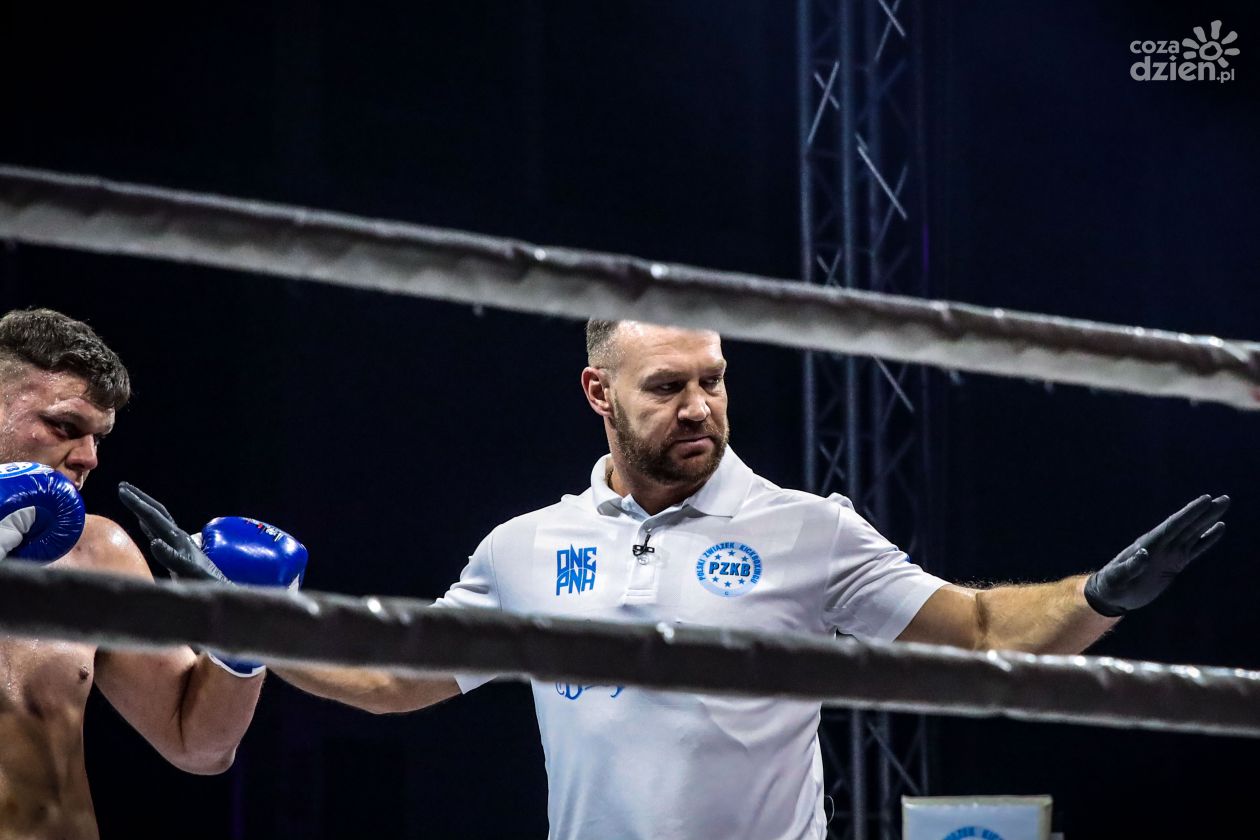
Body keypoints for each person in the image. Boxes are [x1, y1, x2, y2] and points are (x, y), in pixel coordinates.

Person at [125, 319, 1229, 840]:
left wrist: (1101, 594)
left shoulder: (807, 529)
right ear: (598, 393)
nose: (700, 406)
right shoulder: (524, 545)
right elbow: (396, 680)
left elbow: (977, 627)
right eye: (668, 387)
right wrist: (251, 628)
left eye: (714, 380)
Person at [0, 307, 305, 840]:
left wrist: (241, 636)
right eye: (65, 427)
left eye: (99, 438)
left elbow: (199, 746)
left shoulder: (99, 554)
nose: (89, 458)